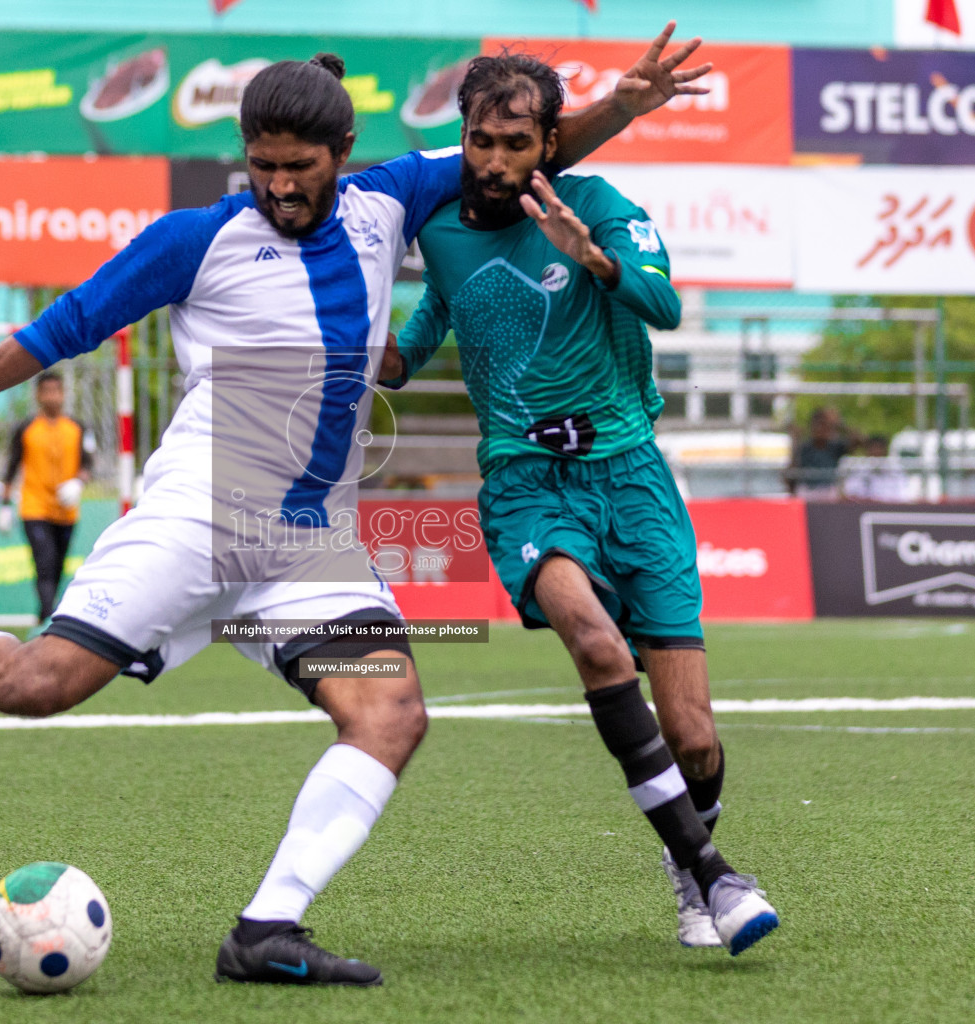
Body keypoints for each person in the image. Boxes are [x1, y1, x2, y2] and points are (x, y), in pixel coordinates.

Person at [0, 32, 710, 986]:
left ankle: (266, 930)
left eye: (301, 169)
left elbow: (513, 163)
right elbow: (54, 332)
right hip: (197, 524)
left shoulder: (391, 201)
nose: (281, 188)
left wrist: (623, 107)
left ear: (344, 157)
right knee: (34, 687)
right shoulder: (196, 239)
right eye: (263, 168)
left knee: (390, 713)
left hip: (308, 551)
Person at [379, 51, 778, 955]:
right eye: (478, 139)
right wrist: (348, 343)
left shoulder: (599, 208)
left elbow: (665, 306)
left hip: (633, 478)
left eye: (513, 143)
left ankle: (689, 864)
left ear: (546, 145)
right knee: (597, 643)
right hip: (525, 481)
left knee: (697, 738)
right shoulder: (440, 233)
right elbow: (414, 346)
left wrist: (591, 260)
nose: (490, 160)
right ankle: (716, 877)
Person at [0, 371, 94, 622]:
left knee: (58, 565)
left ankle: (44, 613)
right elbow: (11, 467)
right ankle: (49, 618)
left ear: (63, 394)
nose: (52, 397)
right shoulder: (26, 428)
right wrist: (5, 506)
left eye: (56, 391)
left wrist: (78, 483)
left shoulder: (78, 428)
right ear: (38, 395)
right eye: (46, 391)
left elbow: (88, 465)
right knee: (44, 561)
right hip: (34, 507)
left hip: (66, 510)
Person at [789, 406, 855, 497]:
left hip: (829, 490)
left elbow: (858, 441)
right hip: (807, 490)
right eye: (817, 425)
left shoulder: (836, 446)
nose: (820, 429)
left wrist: (840, 425)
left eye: (824, 425)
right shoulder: (804, 447)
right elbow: (791, 472)